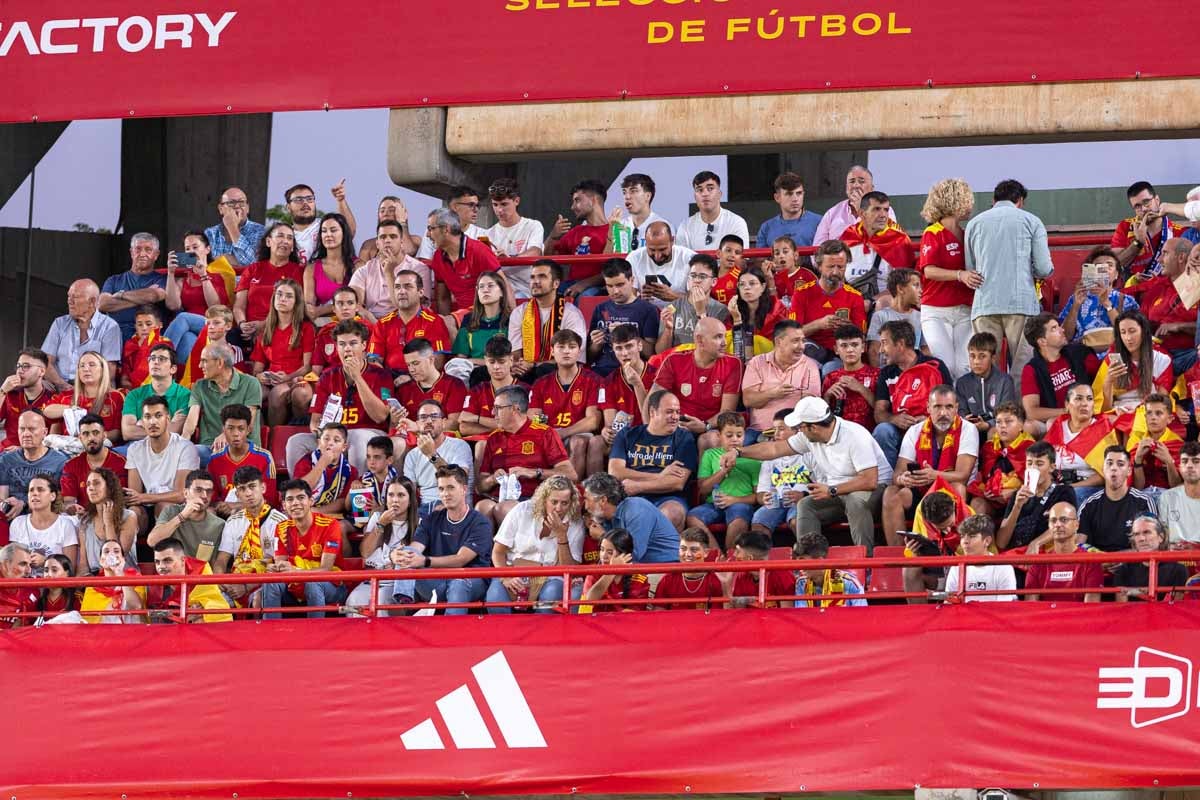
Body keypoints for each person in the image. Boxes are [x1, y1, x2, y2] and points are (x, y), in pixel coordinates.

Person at [731, 396, 891, 554]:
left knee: (855, 501)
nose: (798, 432)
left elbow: (870, 480)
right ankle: (810, 560)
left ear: (813, 427)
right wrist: (738, 452)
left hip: (874, 489)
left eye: (800, 427)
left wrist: (831, 490)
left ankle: (865, 561)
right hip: (839, 491)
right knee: (806, 505)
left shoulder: (854, 435)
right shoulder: (810, 435)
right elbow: (775, 449)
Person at [965, 179, 1054, 391]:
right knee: (1021, 369)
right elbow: (1043, 268)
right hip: (1020, 303)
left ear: (994, 200)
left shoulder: (974, 223)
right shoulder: (1032, 221)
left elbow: (970, 268)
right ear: (1020, 200)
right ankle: (1018, 418)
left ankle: (991, 417)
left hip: (984, 303)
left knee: (985, 368)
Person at [285, 319, 391, 475]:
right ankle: (299, 493)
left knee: (357, 436)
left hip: (370, 434)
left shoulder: (381, 375)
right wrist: (325, 438)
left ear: (363, 346)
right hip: (334, 438)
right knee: (296, 442)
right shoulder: (327, 376)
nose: (347, 349)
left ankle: (358, 492)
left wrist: (357, 378)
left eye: (353, 343)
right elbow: (315, 421)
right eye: (342, 344)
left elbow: (380, 417)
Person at [881, 386, 980, 547]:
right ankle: (897, 557)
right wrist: (903, 478)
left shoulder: (968, 429)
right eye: (937, 407)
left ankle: (954, 548)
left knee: (958, 487)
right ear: (928, 408)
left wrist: (934, 475)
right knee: (891, 493)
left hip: (950, 492)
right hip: (921, 489)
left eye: (948, 407)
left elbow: (962, 475)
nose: (943, 413)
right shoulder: (915, 431)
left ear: (956, 408)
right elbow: (897, 474)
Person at [391, 465, 493, 614]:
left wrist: (425, 561)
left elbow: (461, 559)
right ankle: (405, 598)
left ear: (464, 489)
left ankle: (449, 633)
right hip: (437, 579)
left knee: (458, 584)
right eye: (441, 489)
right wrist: (397, 555)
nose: (445, 494)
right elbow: (415, 548)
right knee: (407, 554)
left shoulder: (480, 522)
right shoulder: (431, 519)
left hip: (470, 580)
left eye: (451, 488)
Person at [476, 386, 576, 528]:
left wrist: (534, 472)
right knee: (482, 507)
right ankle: (485, 551)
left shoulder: (544, 433)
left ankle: (511, 550)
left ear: (514, 409)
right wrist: (492, 479)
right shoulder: (494, 438)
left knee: (503, 508)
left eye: (498, 408)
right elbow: (480, 487)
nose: (493, 413)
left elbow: (570, 474)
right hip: (497, 497)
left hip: (531, 499)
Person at [486, 475, 584, 614]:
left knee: (548, 603)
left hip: (550, 577)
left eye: (564, 503)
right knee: (495, 601)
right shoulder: (522, 510)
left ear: (571, 503)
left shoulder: (575, 523)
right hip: (514, 571)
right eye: (554, 502)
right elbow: (498, 552)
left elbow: (570, 569)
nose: (559, 508)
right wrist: (506, 577)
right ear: (544, 500)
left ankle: (540, 635)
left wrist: (562, 536)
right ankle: (506, 635)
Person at [607, 389, 696, 531]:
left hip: (668, 497)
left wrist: (639, 486)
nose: (675, 417)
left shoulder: (684, 438)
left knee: (673, 513)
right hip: (630, 496)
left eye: (677, 412)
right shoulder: (627, 435)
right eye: (669, 412)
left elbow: (677, 482)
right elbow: (615, 472)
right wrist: (660, 476)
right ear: (653, 412)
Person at [651, 316, 742, 453]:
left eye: (724, 336)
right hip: (677, 423)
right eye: (718, 337)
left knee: (709, 439)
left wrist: (705, 426)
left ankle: (704, 475)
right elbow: (654, 400)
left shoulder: (733, 364)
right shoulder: (674, 360)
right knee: (676, 436)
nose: (724, 342)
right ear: (700, 340)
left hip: (712, 427)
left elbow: (726, 412)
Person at [259, 479, 348, 618]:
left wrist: (296, 571)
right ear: (284, 505)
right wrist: (275, 569)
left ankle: (315, 635)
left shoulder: (330, 525)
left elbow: (326, 569)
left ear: (311, 501)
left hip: (332, 587)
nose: (295, 503)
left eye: (301, 498)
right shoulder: (281, 527)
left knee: (312, 584)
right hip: (295, 587)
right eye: (290, 499)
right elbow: (280, 563)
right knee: (271, 581)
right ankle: (273, 633)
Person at [871, 320, 954, 467]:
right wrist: (894, 419)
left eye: (884, 343)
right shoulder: (886, 373)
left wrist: (930, 419)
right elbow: (879, 413)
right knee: (883, 430)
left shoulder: (935, 366)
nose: (880, 350)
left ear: (900, 344)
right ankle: (888, 481)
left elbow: (950, 407)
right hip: (899, 432)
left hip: (932, 429)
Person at [918, 177, 977, 378]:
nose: (971, 204)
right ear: (955, 200)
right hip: (935, 310)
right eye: (967, 199)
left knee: (964, 367)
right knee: (946, 365)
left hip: (965, 309)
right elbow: (929, 270)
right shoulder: (933, 232)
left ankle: (962, 408)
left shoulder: (967, 233)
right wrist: (960, 275)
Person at [529, 330, 602, 478]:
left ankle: (572, 492)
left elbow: (593, 421)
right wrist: (549, 433)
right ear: (552, 351)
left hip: (577, 433)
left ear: (579, 351)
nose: (566, 351)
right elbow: (532, 416)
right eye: (561, 347)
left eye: (572, 347)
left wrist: (562, 433)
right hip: (549, 434)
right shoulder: (541, 384)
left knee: (578, 441)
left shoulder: (593, 380)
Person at [214, 465, 289, 609]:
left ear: (263, 488)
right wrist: (221, 581)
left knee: (258, 599)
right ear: (237, 495)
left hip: (265, 582)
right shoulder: (232, 521)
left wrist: (247, 586)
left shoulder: (281, 522)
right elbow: (221, 561)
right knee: (208, 602)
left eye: (252, 486)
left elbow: (280, 566)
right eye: (242, 489)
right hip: (235, 582)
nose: (248, 493)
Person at [343, 476, 419, 615]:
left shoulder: (418, 523)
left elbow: (410, 557)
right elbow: (365, 553)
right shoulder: (378, 517)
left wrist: (382, 557)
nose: (395, 500)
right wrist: (381, 524)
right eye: (391, 495)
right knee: (352, 601)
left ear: (410, 501)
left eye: (401, 495)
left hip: (397, 584)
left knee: (382, 601)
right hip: (373, 579)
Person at [1120, 238, 1197, 374]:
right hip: (1154, 354)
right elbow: (1121, 295)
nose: (1159, 259)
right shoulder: (1157, 285)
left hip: (1187, 355)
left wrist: (1180, 326)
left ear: (1181, 257)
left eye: (1165, 253)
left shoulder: (1197, 287)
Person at [125, 395, 201, 530]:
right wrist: (139, 499)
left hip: (177, 507)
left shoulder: (185, 447)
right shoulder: (134, 449)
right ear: (142, 421)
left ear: (168, 418)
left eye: (158, 415)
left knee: (164, 507)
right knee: (132, 512)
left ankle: (165, 550)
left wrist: (144, 498)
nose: (152, 422)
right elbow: (135, 496)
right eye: (147, 417)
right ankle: (125, 551)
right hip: (147, 505)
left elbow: (181, 494)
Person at [687, 412, 760, 551]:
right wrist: (723, 471)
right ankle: (718, 557)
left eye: (739, 435)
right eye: (729, 435)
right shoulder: (710, 455)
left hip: (740, 504)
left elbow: (757, 497)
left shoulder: (753, 459)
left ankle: (731, 561)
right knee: (692, 517)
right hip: (713, 505)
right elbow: (703, 488)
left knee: (738, 519)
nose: (735, 439)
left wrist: (734, 500)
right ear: (719, 436)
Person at [791, 240, 867, 367]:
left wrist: (849, 328)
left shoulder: (855, 296)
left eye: (841, 267)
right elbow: (792, 335)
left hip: (839, 355)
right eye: (831, 267)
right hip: (808, 352)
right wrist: (820, 324)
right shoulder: (801, 293)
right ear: (819, 266)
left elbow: (861, 337)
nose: (836, 272)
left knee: (829, 368)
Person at [509, 260, 588, 381]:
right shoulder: (519, 312)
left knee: (544, 370)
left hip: (560, 369)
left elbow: (571, 356)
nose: (535, 281)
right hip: (527, 369)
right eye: (532, 277)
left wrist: (535, 364)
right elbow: (515, 352)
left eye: (542, 277)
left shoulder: (571, 314)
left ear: (556, 284)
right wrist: (517, 365)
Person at [251, 278, 315, 425]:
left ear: (296, 302)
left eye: (288, 296)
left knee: (277, 394)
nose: (282, 299)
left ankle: (275, 439)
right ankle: (259, 437)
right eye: (279, 294)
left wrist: (287, 377)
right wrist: (260, 376)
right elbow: (257, 368)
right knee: (249, 393)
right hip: (271, 379)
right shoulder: (265, 330)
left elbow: (307, 367)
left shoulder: (306, 328)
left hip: (297, 377)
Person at [1020, 314, 1098, 435]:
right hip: (1058, 417)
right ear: (1042, 341)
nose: (1062, 330)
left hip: (1087, 411)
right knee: (1034, 425)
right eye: (1054, 328)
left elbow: (1102, 377)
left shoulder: (1079, 353)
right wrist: (1067, 410)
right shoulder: (1032, 369)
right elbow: (1032, 412)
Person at [369, 270, 453, 382]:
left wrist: (411, 377)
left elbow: (438, 360)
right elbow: (374, 358)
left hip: (421, 380)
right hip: (389, 377)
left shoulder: (433, 321)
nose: (401, 291)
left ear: (421, 292)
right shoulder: (383, 323)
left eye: (408, 287)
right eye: (397, 287)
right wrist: (384, 378)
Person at [183, 342, 264, 457]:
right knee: (190, 454)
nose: (200, 365)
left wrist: (226, 435)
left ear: (220, 362)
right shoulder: (199, 386)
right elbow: (191, 421)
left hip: (244, 449)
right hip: (209, 449)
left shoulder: (251, 383)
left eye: (205, 361)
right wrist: (182, 444)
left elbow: (248, 421)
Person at [742, 319, 820, 437]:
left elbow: (810, 404)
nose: (801, 346)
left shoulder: (810, 365)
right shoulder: (757, 363)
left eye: (802, 341)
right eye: (795, 341)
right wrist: (773, 393)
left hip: (794, 433)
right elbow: (748, 400)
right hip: (760, 431)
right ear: (779, 342)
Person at [582, 472, 681, 563]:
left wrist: (603, 536)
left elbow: (631, 556)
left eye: (587, 499)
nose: (586, 507)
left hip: (667, 569)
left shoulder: (636, 509)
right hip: (643, 571)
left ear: (603, 500)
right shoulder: (605, 519)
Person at [995, 441, 1076, 551]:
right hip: (1016, 555)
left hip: (1045, 554)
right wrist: (1017, 507)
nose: (1033, 468)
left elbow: (1064, 526)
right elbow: (1001, 543)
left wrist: (1036, 543)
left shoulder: (1063, 492)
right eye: (1029, 463)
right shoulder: (1018, 495)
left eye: (1039, 464)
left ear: (1052, 467)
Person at [163, 230, 230, 365]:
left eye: (195, 247)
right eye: (187, 249)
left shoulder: (216, 276)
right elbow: (173, 305)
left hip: (212, 324)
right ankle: (178, 379)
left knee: (183, 317)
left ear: (207, 249)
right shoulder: (183, 278)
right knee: (187, 340)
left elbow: (215, 308)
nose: (190, 252)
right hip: (189, 329)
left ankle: (159, 356)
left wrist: (203, 275)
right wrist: (171, 273)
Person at [40, 280, 121, 389]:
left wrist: (81, 390)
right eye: (69, 296)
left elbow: (109, 371)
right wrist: (63, 386)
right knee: (35, 385)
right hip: (58, 385)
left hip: (93, 387)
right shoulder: (59, 323)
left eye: (75, 297)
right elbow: (45, 362)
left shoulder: (110, 327)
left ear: (92, 302)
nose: (70, 301)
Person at [1044, 382, 1115, 505]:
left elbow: (1105, 474)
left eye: (1089, 399)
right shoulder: (1058, 427)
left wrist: (1072, 487)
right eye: (1078, 398)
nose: (1084, 403)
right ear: (1067, 405)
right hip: (1059, 485)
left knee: (1071, 497)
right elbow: (1044, 462)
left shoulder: (1102, 429)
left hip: (1088, 488)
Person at [233, 223, 305, 344]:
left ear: (292, 247)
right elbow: (239, 306)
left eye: (289, 238)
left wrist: (263, 325)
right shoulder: (253, 269)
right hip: (248, 331)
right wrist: (243, 324)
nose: (285, 241)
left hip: (281, 329)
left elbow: (299, 309)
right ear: (268, 242)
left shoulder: (300, 272)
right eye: (280, 236)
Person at [1075, 446, 1156, 551]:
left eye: (1120, 464)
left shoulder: (1144, 502)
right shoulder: (1088, 505)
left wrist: (1120, 559)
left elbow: (1152, 545)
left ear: (1129, 471)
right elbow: (1079, 546)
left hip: (1133, 563)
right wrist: (1102, 560)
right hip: (1098, 563)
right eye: (1109, 463)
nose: (1114, 468)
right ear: (1103, 470)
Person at [402, 401, 475, 517]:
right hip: (425, 509)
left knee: (440, 511)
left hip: (455, 504)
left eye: (434, 417)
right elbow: (409, 492)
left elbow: (459, 480)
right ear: (417, 423)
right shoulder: (412, 455)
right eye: (423, 417)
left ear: (444, 422)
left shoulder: (459, 446)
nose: (429, 421)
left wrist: (432, 455)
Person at [840, 191, 913, 305]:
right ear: (862, 213)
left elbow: (904, 284)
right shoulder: (848, 235)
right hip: (848, 300)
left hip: (885, 304)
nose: (883, 215)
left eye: (886, 210)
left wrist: (872, 301)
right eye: (877, 209)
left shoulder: (899, 240)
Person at [1057, 245, 1136, 351]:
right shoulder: (1076, 298)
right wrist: (1075, 306)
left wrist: (1107, 304)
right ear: (1090, 272)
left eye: (1110, 265)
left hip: (1114, 354)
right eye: (1099, 266)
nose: (1104, 269)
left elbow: (1131, 334)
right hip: (1082, 355)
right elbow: (1065, 337)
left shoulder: (1126, 300)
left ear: (1116, 274)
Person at [588, 259, 659, 375]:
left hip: (634, 370)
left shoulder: (647, 310)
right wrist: (596, 345)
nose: (615, 291)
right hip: (603, 370)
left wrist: (627, 332)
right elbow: (589, 356)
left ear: (632, 280)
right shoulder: (600, 309)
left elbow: (651, 354)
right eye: (609, 286)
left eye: (620, 285)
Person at [544, 178, 612, 298]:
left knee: (586, 296)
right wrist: (553, 236)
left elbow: (613, 270)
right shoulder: (575, 232)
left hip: (600, 287)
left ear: (594, 200)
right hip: (571, 285)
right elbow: (548, 260)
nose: (572, 207)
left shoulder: (613, 231)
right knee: (544, 292)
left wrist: (584, 284)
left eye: (577, 200)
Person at [1024, 502, 1104, 602]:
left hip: (1078, 617)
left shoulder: (1091, 563)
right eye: (1053, 520)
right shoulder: (1037, 564)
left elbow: (1091, 609)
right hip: (1046, 617)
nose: (1057, 525)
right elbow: (1031, 608)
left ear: (1076, 525)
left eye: (1064, 520)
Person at [352, 219, 430, 322]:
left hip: (405, 321)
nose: (387, 240)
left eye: (393, 237)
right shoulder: (365, 270)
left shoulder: (419, 269)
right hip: (371, 321)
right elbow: (353, 302)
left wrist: (389, 272)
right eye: (383, 237)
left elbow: (409, 308)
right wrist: (368, 315)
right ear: (377, 244)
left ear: (402, 242)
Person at [429, 207, 503, 314]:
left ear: (446, 229)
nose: (428, 234)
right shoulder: (437, 257)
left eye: (431, 228)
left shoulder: (479, 250)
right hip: (464, 318)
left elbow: (504, 287)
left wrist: (510, 324)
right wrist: (444, 323)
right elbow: (443, 298)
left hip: (487, 313)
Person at [748, 410, 809, 539]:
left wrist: (803, 495)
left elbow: (823, 485)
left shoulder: (809, 454)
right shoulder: (769, 458)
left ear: (797, 431)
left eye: (781, 429)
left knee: (796, 521)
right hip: (777, 502)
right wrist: (764, 498)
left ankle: (807, 555)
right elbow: (760, 493)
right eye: (774, 429)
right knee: (759, 523)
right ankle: (763, 557)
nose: (776, 434)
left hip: (803, 501)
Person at [1098, 311, 1174, 414]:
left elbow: (1162, 405)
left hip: (1148, 413)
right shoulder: (1111, 360)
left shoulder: (1162, 360)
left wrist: (1136, 411)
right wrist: (1108, 382)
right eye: (1123, 332)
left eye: (1132, 331)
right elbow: (1103, 411)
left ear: (1144, 331)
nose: (1128, 338)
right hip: (1118, 413)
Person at [145, 537, 233, 624]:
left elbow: (216, 605)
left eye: (167, 561)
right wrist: (183, 617)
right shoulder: (154, 584)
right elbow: (152, 614)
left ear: (183, 560)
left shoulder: (200, 572)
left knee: (202, 618)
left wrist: (200, 611)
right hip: (167, 630)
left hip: (194, 630)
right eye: (157, 562)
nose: (161, 567)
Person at [98, 232, 169, 340]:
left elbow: (153, 296)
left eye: (148, 250)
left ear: (156, 255)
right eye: (138, 249)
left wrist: (120, 295)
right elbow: (103, 304)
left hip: (148, 338)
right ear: (131, 252)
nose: (142, 254)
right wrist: (143, 298)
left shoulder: (162, 279)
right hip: (115, 337)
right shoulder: (114, 280)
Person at [966, 402, 1031, 518]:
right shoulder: (988, 447)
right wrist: (985, 491)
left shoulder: (1030, 448)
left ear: (1021, 425)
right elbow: (982, 476)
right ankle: (979, 535)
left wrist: (1014, 492)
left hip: (1019, 500)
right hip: (992, 501)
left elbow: (1037, 484)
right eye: (998, 422)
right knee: (977, 503)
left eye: (1008, 421)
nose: (1002, 426)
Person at [0, 410, 68, 520]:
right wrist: (5, 503)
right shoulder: (6, 459)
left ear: (45, 432)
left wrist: (24, 503)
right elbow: (2, 497)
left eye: (32, 429)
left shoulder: (60, 462)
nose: (26, 434)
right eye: (22, 429)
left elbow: (61, 501)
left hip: (46, 521)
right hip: (11, 520)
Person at [483, 178, 544, 300]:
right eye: (495, 204)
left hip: (527, 290)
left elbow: (535, 252)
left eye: (504, 204)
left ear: (516, 201)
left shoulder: (533, 225)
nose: (499, 210)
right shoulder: (488, 233)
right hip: (499, 290)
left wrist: (510, 259)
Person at [147, 470, 223, 567]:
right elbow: (152, 541)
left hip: (200, 578)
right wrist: (183, 515)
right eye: (198, 490)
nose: (204, 496)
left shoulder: (218, 524)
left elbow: (214, 563)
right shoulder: (171, 511)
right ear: (186, 493)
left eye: (208, 491)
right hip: (172, 575)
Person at [392, 339, 468, 435]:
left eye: (416, 363)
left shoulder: (454, 385)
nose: (411, 369)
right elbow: (394, 428)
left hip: (444, 441)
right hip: (410, 442)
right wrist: (394, 421)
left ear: (431, 359)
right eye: (408, 365)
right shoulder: (404, 390)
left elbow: (454, 424)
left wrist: (419, 427)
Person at [43, 351, 124, 442]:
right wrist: (72, 409)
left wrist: (91, 439)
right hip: (68, 449)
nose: (86, 369)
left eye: (92, 365)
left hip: (101, 447)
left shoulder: (115, 396)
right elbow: (47, 410)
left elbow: (118, 433)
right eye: (82, 366)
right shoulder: (67, 395)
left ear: (103, 369)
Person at [655, 254, 729, 351]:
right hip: (676, 361)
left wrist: (701, 313)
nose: (697, 280)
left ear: (714, 282)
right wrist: (668, 330)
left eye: (702, 277)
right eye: (693, 276)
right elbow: (660, 352)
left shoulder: (721, 310)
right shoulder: (672, 307)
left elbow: (715, 350)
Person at [1112, 181, 1185, 279]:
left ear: (1157, 200)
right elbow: (1115, 265)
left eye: (1146, 202)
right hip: (1132, 289)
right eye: (1137, 206)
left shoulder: (1178, 232)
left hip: (1165, 290)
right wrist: (1138, 243)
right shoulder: (1125, 226)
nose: (1144, 209)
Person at [8, 474, 78, 576]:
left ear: (52, 496)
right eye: (31, 490)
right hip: (26, 586)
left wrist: (46, 562)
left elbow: (70, 568)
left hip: (55, 587)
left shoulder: (65, 524)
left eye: (40, 490)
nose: (35, 493)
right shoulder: (18, 523)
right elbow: (13, 565)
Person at [120, 343, 190, 445]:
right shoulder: (134, 395)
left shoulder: (185, 395)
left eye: (162, 359)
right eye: (152, 358)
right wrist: (166, 427)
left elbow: (175, 431)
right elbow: (127, 432)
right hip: (138, 445)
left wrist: (143, 424)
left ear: (173, 369)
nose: (155, 362)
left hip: (170, 447)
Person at [75, 467, 138, 575]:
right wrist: (81, 588)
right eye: (88, 484)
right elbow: (83, 564)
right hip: (95, 581)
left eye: (96, 483)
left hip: (124, 580)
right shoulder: (85, 522)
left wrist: (108, 523)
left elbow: (114, 559)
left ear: (109, 487)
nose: (90, 488)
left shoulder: (129, 517)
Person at [813, 165, 894, 245]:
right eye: (852, 181)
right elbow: (817, 248)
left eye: (861, 181)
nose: (856, 185)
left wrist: (861, 209)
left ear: (872, 188)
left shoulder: (885, 210)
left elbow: (887, 241)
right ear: (846, 188)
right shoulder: (832, 213)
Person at [60, 414, 127, 511]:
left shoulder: (120, 462)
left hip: (112, 513)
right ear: (80, 438)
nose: (91, 438)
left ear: (104, 435)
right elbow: (69, 501)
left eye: (95, 433)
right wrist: (72, 508)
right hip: (82, 517)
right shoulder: (71, 466)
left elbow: (121, 499)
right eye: (86, 434)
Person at [954, 332, 1017, 435]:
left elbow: (1008, 413)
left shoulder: (1005, 381)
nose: (976, 361)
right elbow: (961, 412)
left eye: (982, 356)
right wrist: (966, 420)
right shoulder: (962, 383)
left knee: (992, 433)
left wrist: (988, 425)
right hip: (970, 429)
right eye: (972, 356)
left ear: (992, 358)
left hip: (997, 427)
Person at [459, 337, 523, 438]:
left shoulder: (524, 390)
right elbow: (464, 427)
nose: (496, 367)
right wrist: (504, 428)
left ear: (511, 360)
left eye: (501, 362)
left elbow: (522, 425)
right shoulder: (477, 391)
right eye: (492, 362)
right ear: (485, 361)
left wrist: (477, 419)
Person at [1114, 515, 1188, 601]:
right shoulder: (1123, 570)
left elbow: (1174, 607)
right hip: (1134, 614)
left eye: (1147, 532)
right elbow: (1122, 608)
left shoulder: (1178, 570)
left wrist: (1135, 592)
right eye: (1136, 534)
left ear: (1161, 537)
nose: (1141, 538)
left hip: (1164, 614)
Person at [943, 516, 1016, 602]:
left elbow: (1005, 606)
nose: (965, 541)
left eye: (972, 536)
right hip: (963, 615)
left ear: (987, 541)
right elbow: (948, 602)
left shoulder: (1004, 568)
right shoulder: (956, 568)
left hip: (993, 615)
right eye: (962, 536)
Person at [449, 272, 513, 370]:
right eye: (481, 287)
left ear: (502, 292)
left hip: (501, 370)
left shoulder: (512, 319)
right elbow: (461, 358)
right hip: (473, 371)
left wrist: (473, 361)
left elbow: (512, 359)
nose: (485, 290)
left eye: (490, 286)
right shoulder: (468, 319)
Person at [675, 170, 751, 251]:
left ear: (719, 194)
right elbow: (681, 260)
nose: (705, 194)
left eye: (710, 188)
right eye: (700, 190)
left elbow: (740, 259)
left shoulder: (736, 222)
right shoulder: (685, 226)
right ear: (695, 197)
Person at [822, 325, 879, 430]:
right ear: (836, 349)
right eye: (844, 345)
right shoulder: (830, 378)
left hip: (868, 434)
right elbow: (822, 418)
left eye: (855, 345)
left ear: (863, 348)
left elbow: (883, 411)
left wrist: (861, 388)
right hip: (839, 433)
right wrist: (827, 396)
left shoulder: (877, 375)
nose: (849, 350)